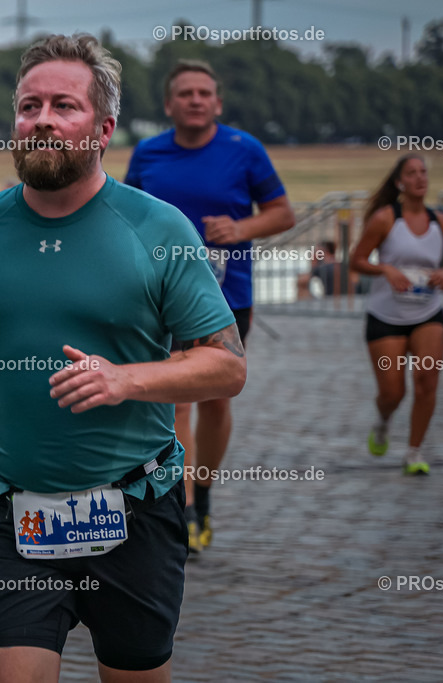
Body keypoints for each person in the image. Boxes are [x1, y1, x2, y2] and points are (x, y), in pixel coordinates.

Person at [0, 34, 245, 683]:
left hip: (136, 511)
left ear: (103, 128)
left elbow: (226, 363)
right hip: (10, 513)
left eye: (63, 106)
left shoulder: (157, 229)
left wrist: (126, 378)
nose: (42, 119)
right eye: (29, 105)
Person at [123, 59, 294, 553]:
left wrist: (241, 229)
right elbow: (126, 213)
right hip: (156, 297)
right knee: (175, 397)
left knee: (215, 398)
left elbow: (283, 213)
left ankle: (204, 489)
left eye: (204, 93)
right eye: (185, 93)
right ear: (168, 105)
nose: (195, 100)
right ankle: (184, 507)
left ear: (217, 103)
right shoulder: (149, 154)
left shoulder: (245, 150)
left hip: (227, 295)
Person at [350, 154, 443, 474]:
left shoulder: (442, 223)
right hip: (386, 318)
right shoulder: (386, 219)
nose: (419, 178)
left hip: (429, 313)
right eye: (411, 173)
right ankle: (383, 421)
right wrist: (385, 268)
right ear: (400, 182)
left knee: (427, 380)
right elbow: (356, 261)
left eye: (423, 172)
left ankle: (414, 452)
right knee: (392, 392)